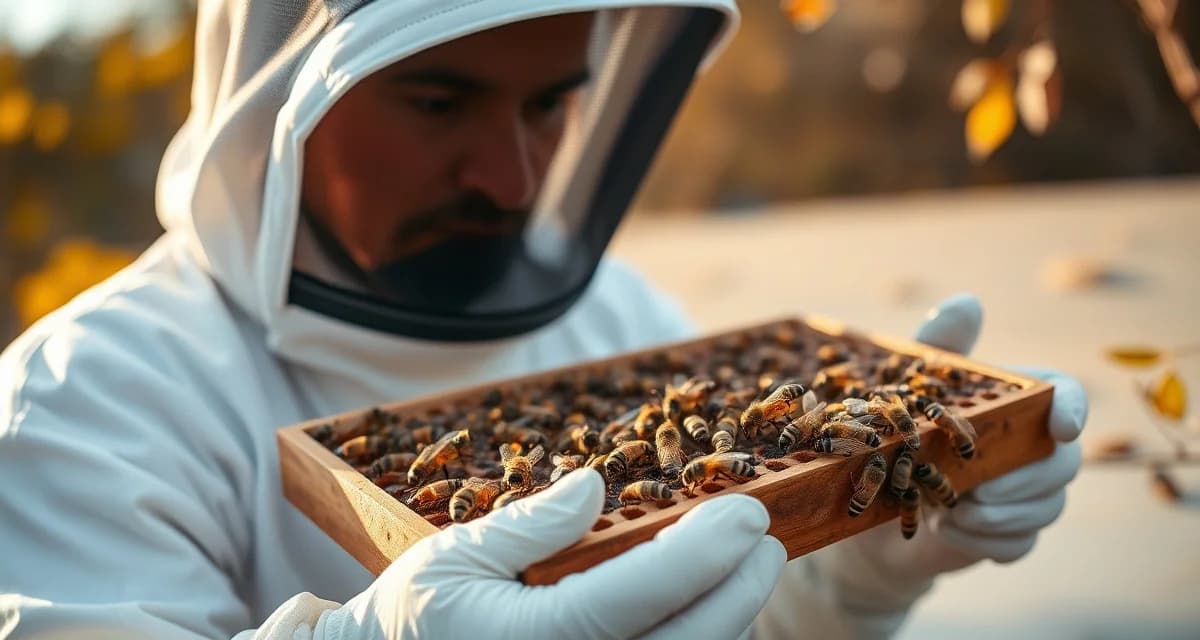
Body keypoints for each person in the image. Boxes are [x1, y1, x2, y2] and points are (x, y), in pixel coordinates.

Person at [0, 1, 1087, 638]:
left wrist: (851, 575)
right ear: (280, 98)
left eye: (550, 102)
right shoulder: (79, 402)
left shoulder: (617, 313)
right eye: (439, 101)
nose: (513, 180)